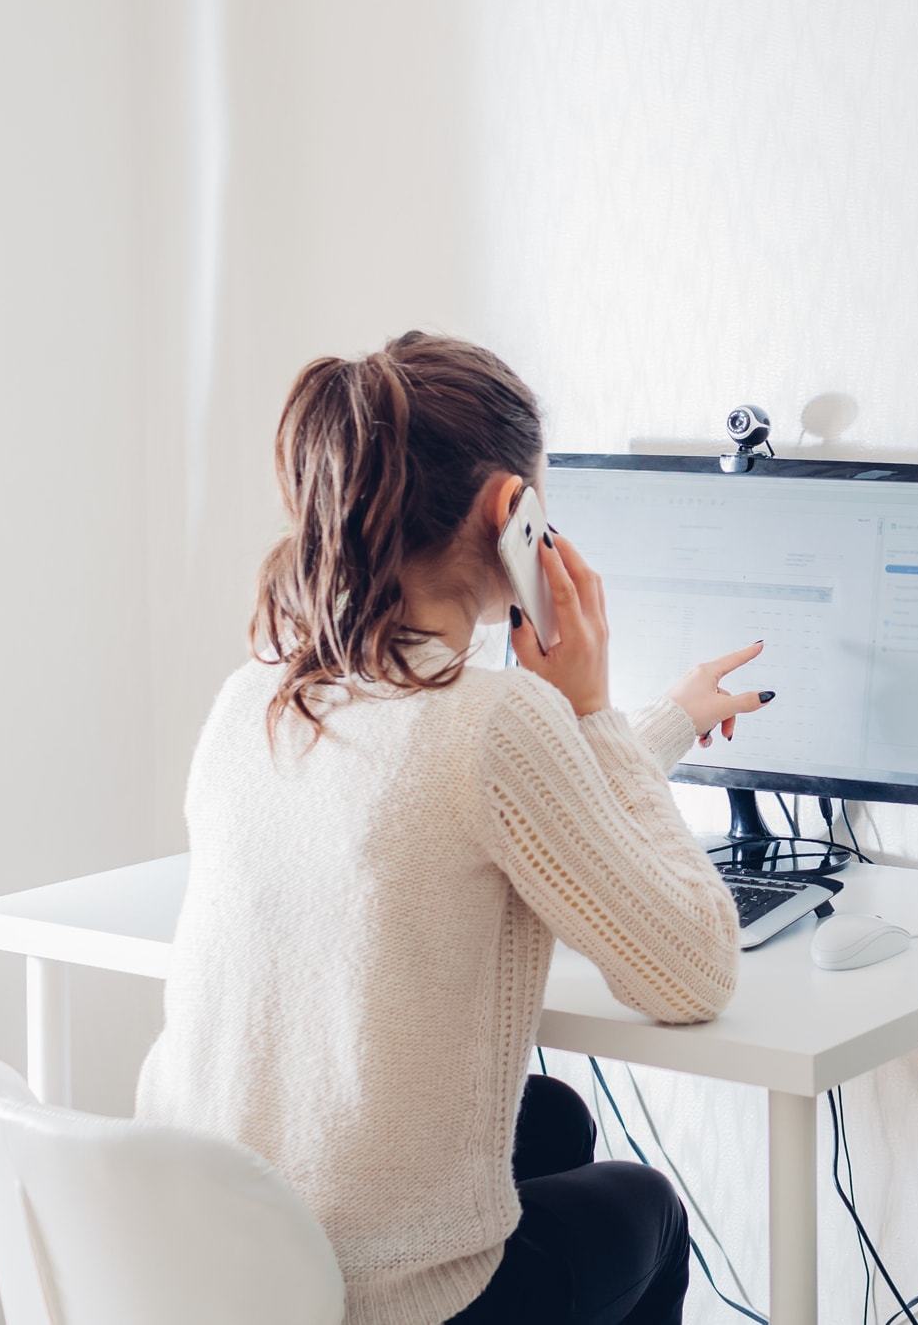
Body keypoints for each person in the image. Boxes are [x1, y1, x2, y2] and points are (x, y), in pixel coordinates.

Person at [136, 332, 768, 1325]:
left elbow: (517, 810)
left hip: (215, 1270)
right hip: (376, 1301)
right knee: (648, 1210)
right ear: (513, 509)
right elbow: (693, 970)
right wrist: (591, 712)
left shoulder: (255, 695)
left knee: (549, 1121)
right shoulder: (495, 721)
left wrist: (667, 720)